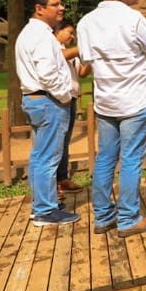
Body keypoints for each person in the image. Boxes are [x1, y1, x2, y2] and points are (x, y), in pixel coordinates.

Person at [77, 0, 146, 238]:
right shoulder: (134, 19)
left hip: (106, 101)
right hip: (134, 101)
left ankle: (103, 216)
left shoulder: (86, 22)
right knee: (130, 160)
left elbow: (85, 59)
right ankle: (129, 218)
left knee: (105, 158)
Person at [13, 0, 80, 227]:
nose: (61, 8)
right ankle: (45, 210)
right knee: (48, 158)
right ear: (39, 9)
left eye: (61, 3)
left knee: (40, 156)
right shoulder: (40, 36)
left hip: (38, 99)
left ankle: (44, 204)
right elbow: (48, 74)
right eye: (55, 4)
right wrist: (64, 96)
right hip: (48, 100)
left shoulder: (34, 33)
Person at [53, 19, 91, 199]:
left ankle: (62, 178)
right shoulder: (53, 46)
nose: (72, 36)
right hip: (59, 100)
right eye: (69, 32)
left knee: (65, 140)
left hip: (71, 99)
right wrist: (89, 46)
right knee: (56, 142)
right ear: (58, 31)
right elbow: (61, 56)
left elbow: (81, 73)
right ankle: (52, 184)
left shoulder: (70, 52)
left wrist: (92, 60)